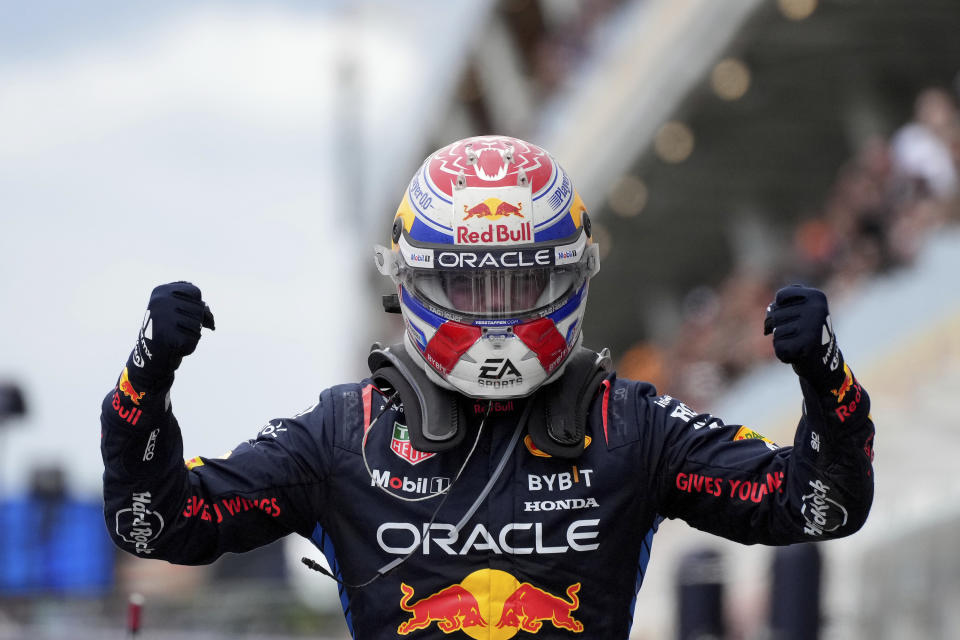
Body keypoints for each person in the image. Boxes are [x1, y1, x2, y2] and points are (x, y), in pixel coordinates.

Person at [101, 136, 875, 639]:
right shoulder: (342, 434)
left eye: (520, 283)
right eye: (468, 286)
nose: (495, 314)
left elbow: (815, 507)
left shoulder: (629, 424)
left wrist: (826, 382)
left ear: (572, 278)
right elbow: (157, 529)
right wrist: (146, 382)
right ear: (409, 286)